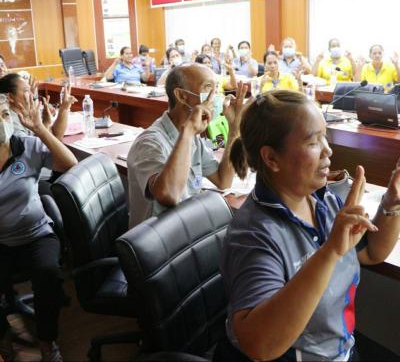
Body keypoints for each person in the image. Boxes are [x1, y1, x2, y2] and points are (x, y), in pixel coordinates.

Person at [215, 90, 400, 361]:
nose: (328, 150)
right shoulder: (253, 234)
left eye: (324, 136)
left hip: (340, 350)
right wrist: (330, 251)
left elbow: (371, 252)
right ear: (271, 158)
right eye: (313, 142)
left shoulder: (323, 200)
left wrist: (393, 203)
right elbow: (260, 346)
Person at [0, 92, 78, 362]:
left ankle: (47, 342)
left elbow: (69, 164)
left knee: (48, 274)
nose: (1, 121)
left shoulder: (26, 146)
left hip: (37, 234)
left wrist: (41, 129)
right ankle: (3, 335)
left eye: (4, 114)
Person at [127, 63, 247, 227]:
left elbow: (223, 180)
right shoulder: (149, 143)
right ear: (182, 96)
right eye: (208, 87)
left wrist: (234, 128)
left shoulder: (192, 137)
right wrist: (189, 131)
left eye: (217, 88)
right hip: (161, 236)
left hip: (188, 226)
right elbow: (170, 195)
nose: (216, 96)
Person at [4, 73, 77, 141]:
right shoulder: (10, 122)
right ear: (10, 97)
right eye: (26, 90)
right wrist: (45, 124)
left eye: (30, 90)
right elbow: (39, 147)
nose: (32, 94)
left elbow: (56, 136)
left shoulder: (27, 113)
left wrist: (64, 108)